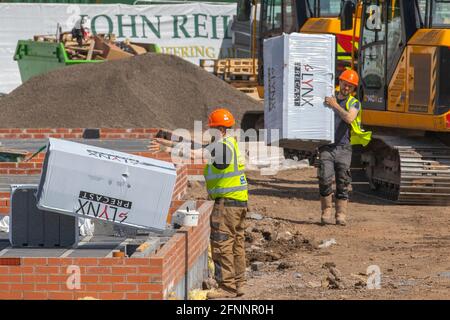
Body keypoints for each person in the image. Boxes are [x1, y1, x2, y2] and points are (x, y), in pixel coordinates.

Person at [150, 108, 248, 299]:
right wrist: (171, 141)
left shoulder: (221, 147)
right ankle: (239, 284)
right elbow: (197, 146)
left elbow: (196, 154)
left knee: (222, 244)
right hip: (238, 201)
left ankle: (227, 287)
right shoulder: (227, 143)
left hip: (226, 204)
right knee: (237, 244)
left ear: (219, 128)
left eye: (210, 128)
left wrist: (168, 150)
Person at [321, 69, 371, 226]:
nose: (346, 88)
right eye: (344, 84)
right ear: (339, 82)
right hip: (326, 147)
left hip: (344, 147)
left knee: (343, 180)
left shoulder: (353, 102)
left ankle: (341, 214)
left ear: (353, 89)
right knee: (324, 178)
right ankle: (326, 210)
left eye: (350, 86)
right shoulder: (328, 98)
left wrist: (335, 105)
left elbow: (349, 118)